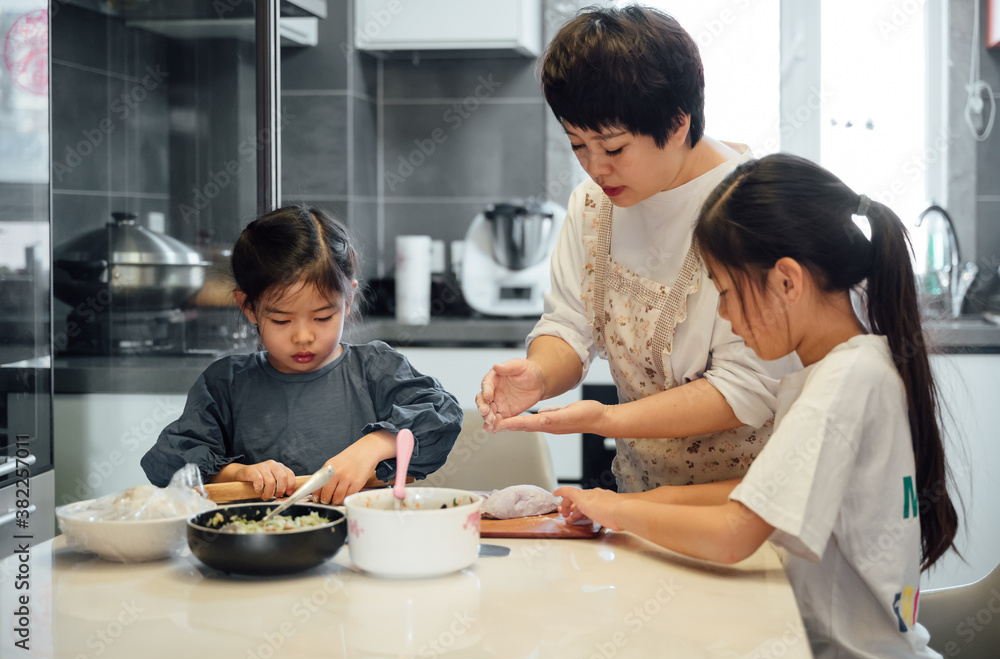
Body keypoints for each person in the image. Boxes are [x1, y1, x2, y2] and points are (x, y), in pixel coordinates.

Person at [555, 153, 960, 659]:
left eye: (724, 291)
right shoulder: (854, 365)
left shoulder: (845, 381)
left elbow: (735, 535)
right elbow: (753, 497)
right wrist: (610, 505)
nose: (723, 313)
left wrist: (615, 510)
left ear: (787, 282)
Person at [476, 5, 799, 491]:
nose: (594, 169)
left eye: (613, 148)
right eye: (577, 145)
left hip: (746, 505)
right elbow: (569, 323)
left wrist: (606, 419)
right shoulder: (592, 207)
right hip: (641, 501)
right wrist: (539, 375)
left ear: (677, 124)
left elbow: (748, 387)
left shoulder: (755, 211)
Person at [141, 205, 462, 504]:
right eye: (281, 320)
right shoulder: (226, 383)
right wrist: (239, 474)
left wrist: (374, 446)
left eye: (323, 317)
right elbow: (169, 460)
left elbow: (442, 416)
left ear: (348, 299)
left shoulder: (377, 368)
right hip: (261, 549)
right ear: (248, 307)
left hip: (364, 543)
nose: (304, 336)